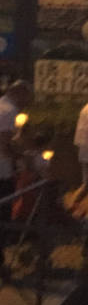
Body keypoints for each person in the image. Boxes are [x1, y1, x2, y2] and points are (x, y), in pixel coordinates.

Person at [0, 81, 32, 219]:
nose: (27, 103)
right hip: (2, 167)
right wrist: (20, 157)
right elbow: (3, 142)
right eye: (27, 98)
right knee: (4, 205)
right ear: (20, 93)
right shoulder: (9, 110)